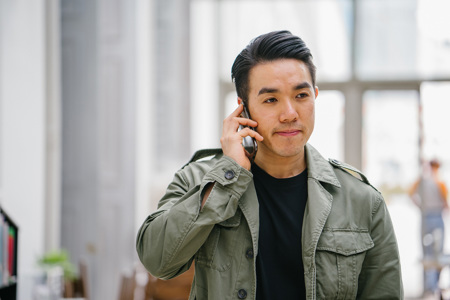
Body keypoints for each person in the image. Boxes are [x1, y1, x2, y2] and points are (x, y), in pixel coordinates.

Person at [136, 30, 403, 299]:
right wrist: (227, 178)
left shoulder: (362, 200)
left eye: (301, 95)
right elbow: (157, 260)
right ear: (243, 109)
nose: (289, 114)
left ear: (315, 96)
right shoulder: (200, 179)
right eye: (271, 100)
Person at [409, 159, 448, 296]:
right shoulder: (439, 182)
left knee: (428, 253)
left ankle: (429, 288)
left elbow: (411, 195)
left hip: (426, 216)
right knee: (435, 253)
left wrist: (421, 207)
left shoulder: (422, 181)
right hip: (436, 217)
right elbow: (446, 203)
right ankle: (433, 287)